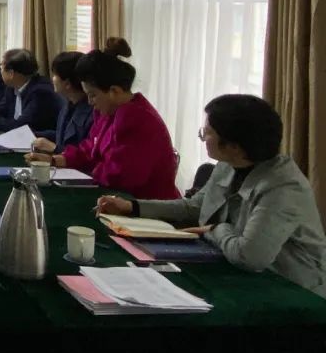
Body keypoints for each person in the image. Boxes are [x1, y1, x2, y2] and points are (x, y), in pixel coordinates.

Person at [97, 95, 326, 297]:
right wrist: (132, 207)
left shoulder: (283, 187)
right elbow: (195, 207)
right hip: (238, 273)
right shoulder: (229, 164)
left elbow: (250, 257)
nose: (202, 137)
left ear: (234, 145)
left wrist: (216, 229)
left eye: (207, 133)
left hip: (293, 290)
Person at [27, 38, 179, 199]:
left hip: (145, 205)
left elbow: (120, 175)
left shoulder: (137, 119)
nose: (90, 102)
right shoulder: (108, 112)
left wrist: (90, 168)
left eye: (93, 95)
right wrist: (56, 160)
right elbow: (89, 150)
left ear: (114, 91)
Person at [0, 48, 61, 133]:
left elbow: (21, 126)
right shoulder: (12, 87)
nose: (0, 72)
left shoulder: (41, 93)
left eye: (1, 69)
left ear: (11, 73)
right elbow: (0, 110)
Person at [32, 51, 93, 154]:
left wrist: (55, 148)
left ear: (67, 84)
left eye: (55, 75)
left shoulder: (93, 112)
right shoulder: (68, 103)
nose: (52, 79)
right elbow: (62, 135)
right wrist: (33, 134)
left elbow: (86, 154)